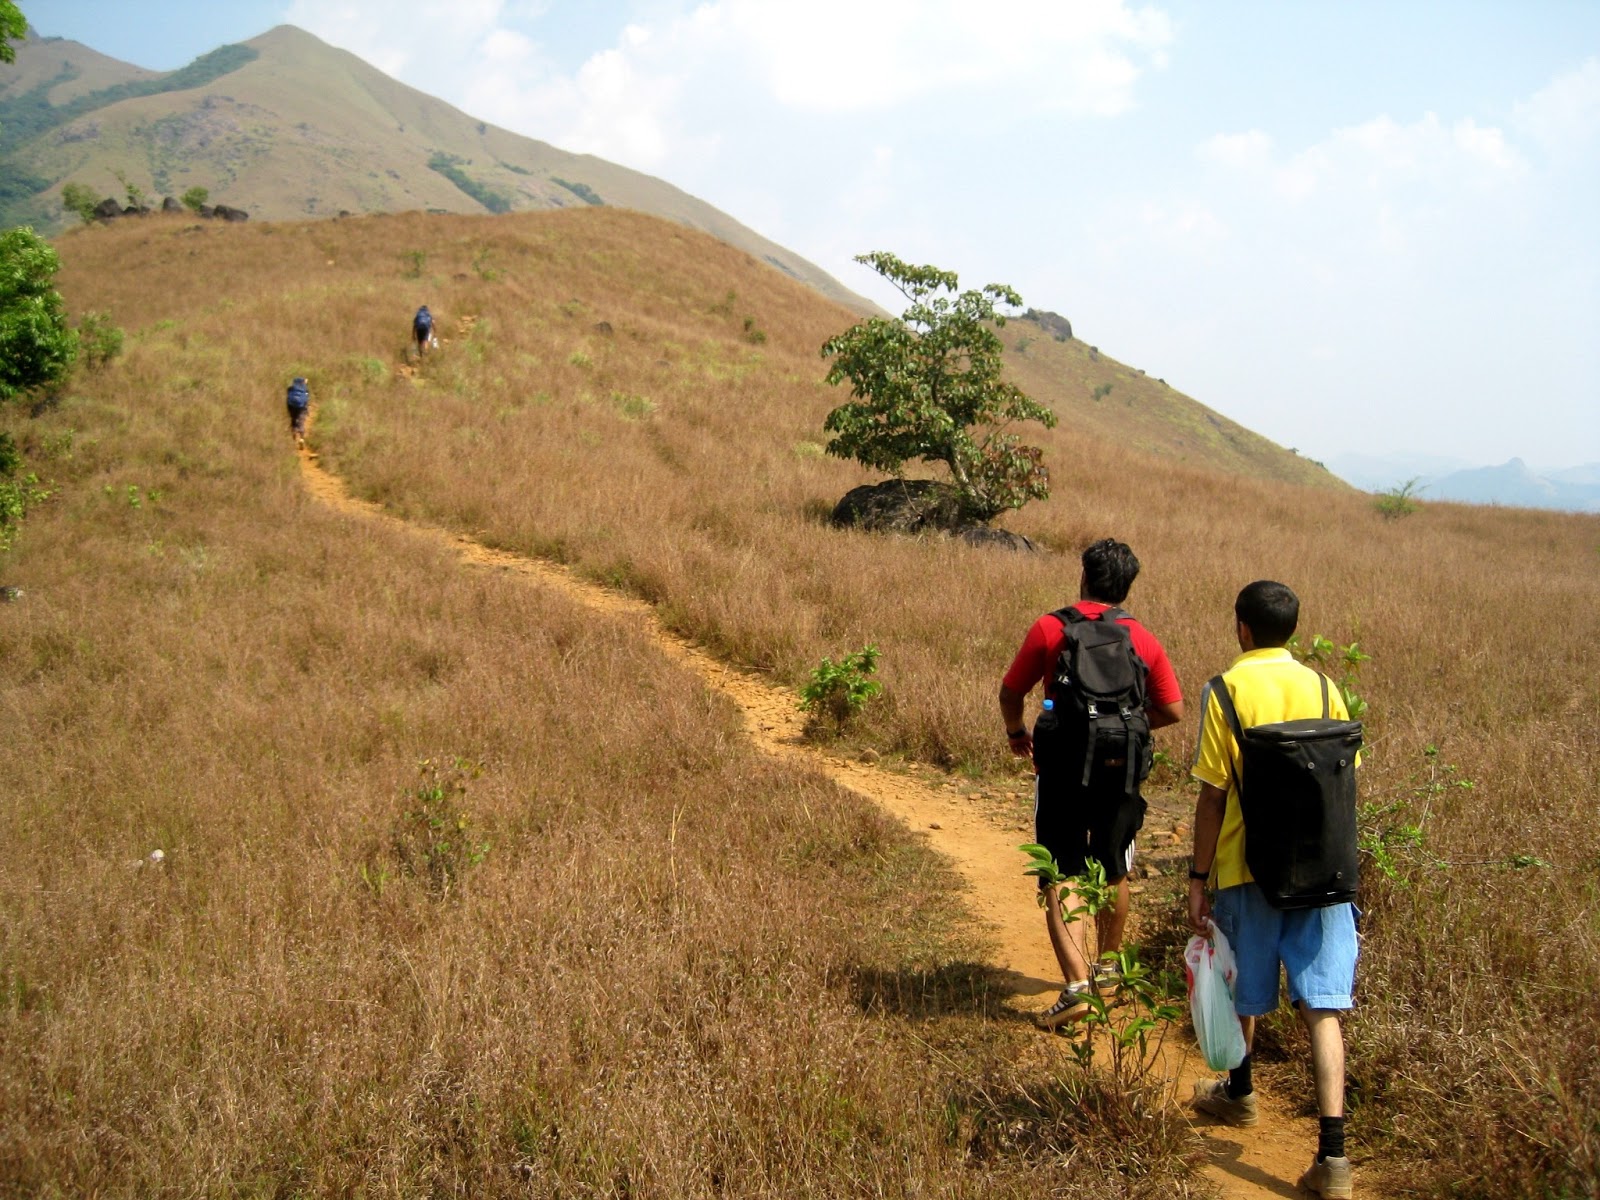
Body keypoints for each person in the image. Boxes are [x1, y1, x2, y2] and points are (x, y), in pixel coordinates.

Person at [1187, 580, 1358, 1199]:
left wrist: (1198, 879)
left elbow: (1212, 795)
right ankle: (1333, 1156)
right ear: (1293, 629)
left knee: (1243, 991)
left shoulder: (1226, 690)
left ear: (1242, 629)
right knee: (1323, 1008)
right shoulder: (1324, 687)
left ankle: (1240, 1093)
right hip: (1326, 871)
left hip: (1246, 866)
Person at [999, 538, 1184, 1028]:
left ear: (1083, 576)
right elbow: (1172, 709)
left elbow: (1010, 691)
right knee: (1115, 866)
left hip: (1060, 768)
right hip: (1119, 770)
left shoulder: (1050, 627)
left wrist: (1018, 732)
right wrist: (1123, 727)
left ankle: (1076, 987)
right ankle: (1107, 973)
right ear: (1126, 587)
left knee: (1060, 869)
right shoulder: (1141, 638)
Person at [285, 376, 310, 448]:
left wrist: (289, 410)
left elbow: (287, 399)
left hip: (292, 407)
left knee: (293, 422)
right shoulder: (305, 390)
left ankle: (294, 439)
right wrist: (306, 410)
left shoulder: (290, 389)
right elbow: (306, 401)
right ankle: (301, 439)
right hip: (302, 408)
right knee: (301, 422)